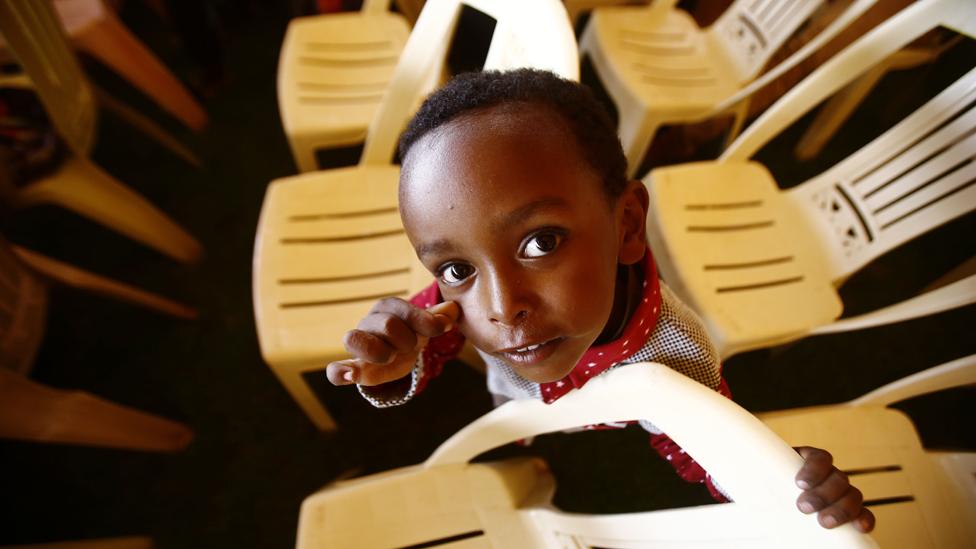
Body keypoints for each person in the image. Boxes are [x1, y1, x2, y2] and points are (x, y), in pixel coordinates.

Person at [325, 68, 875, 533]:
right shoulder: (456, 308)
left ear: (629, 224)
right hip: (520, 412)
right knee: (518, 426)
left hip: (613, 423)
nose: (501, 306)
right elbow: (429, 344)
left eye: (540, 243)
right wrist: (396, 364)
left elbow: (701, 444)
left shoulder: (677, 349)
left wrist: (781, 480)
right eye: (457, 268)